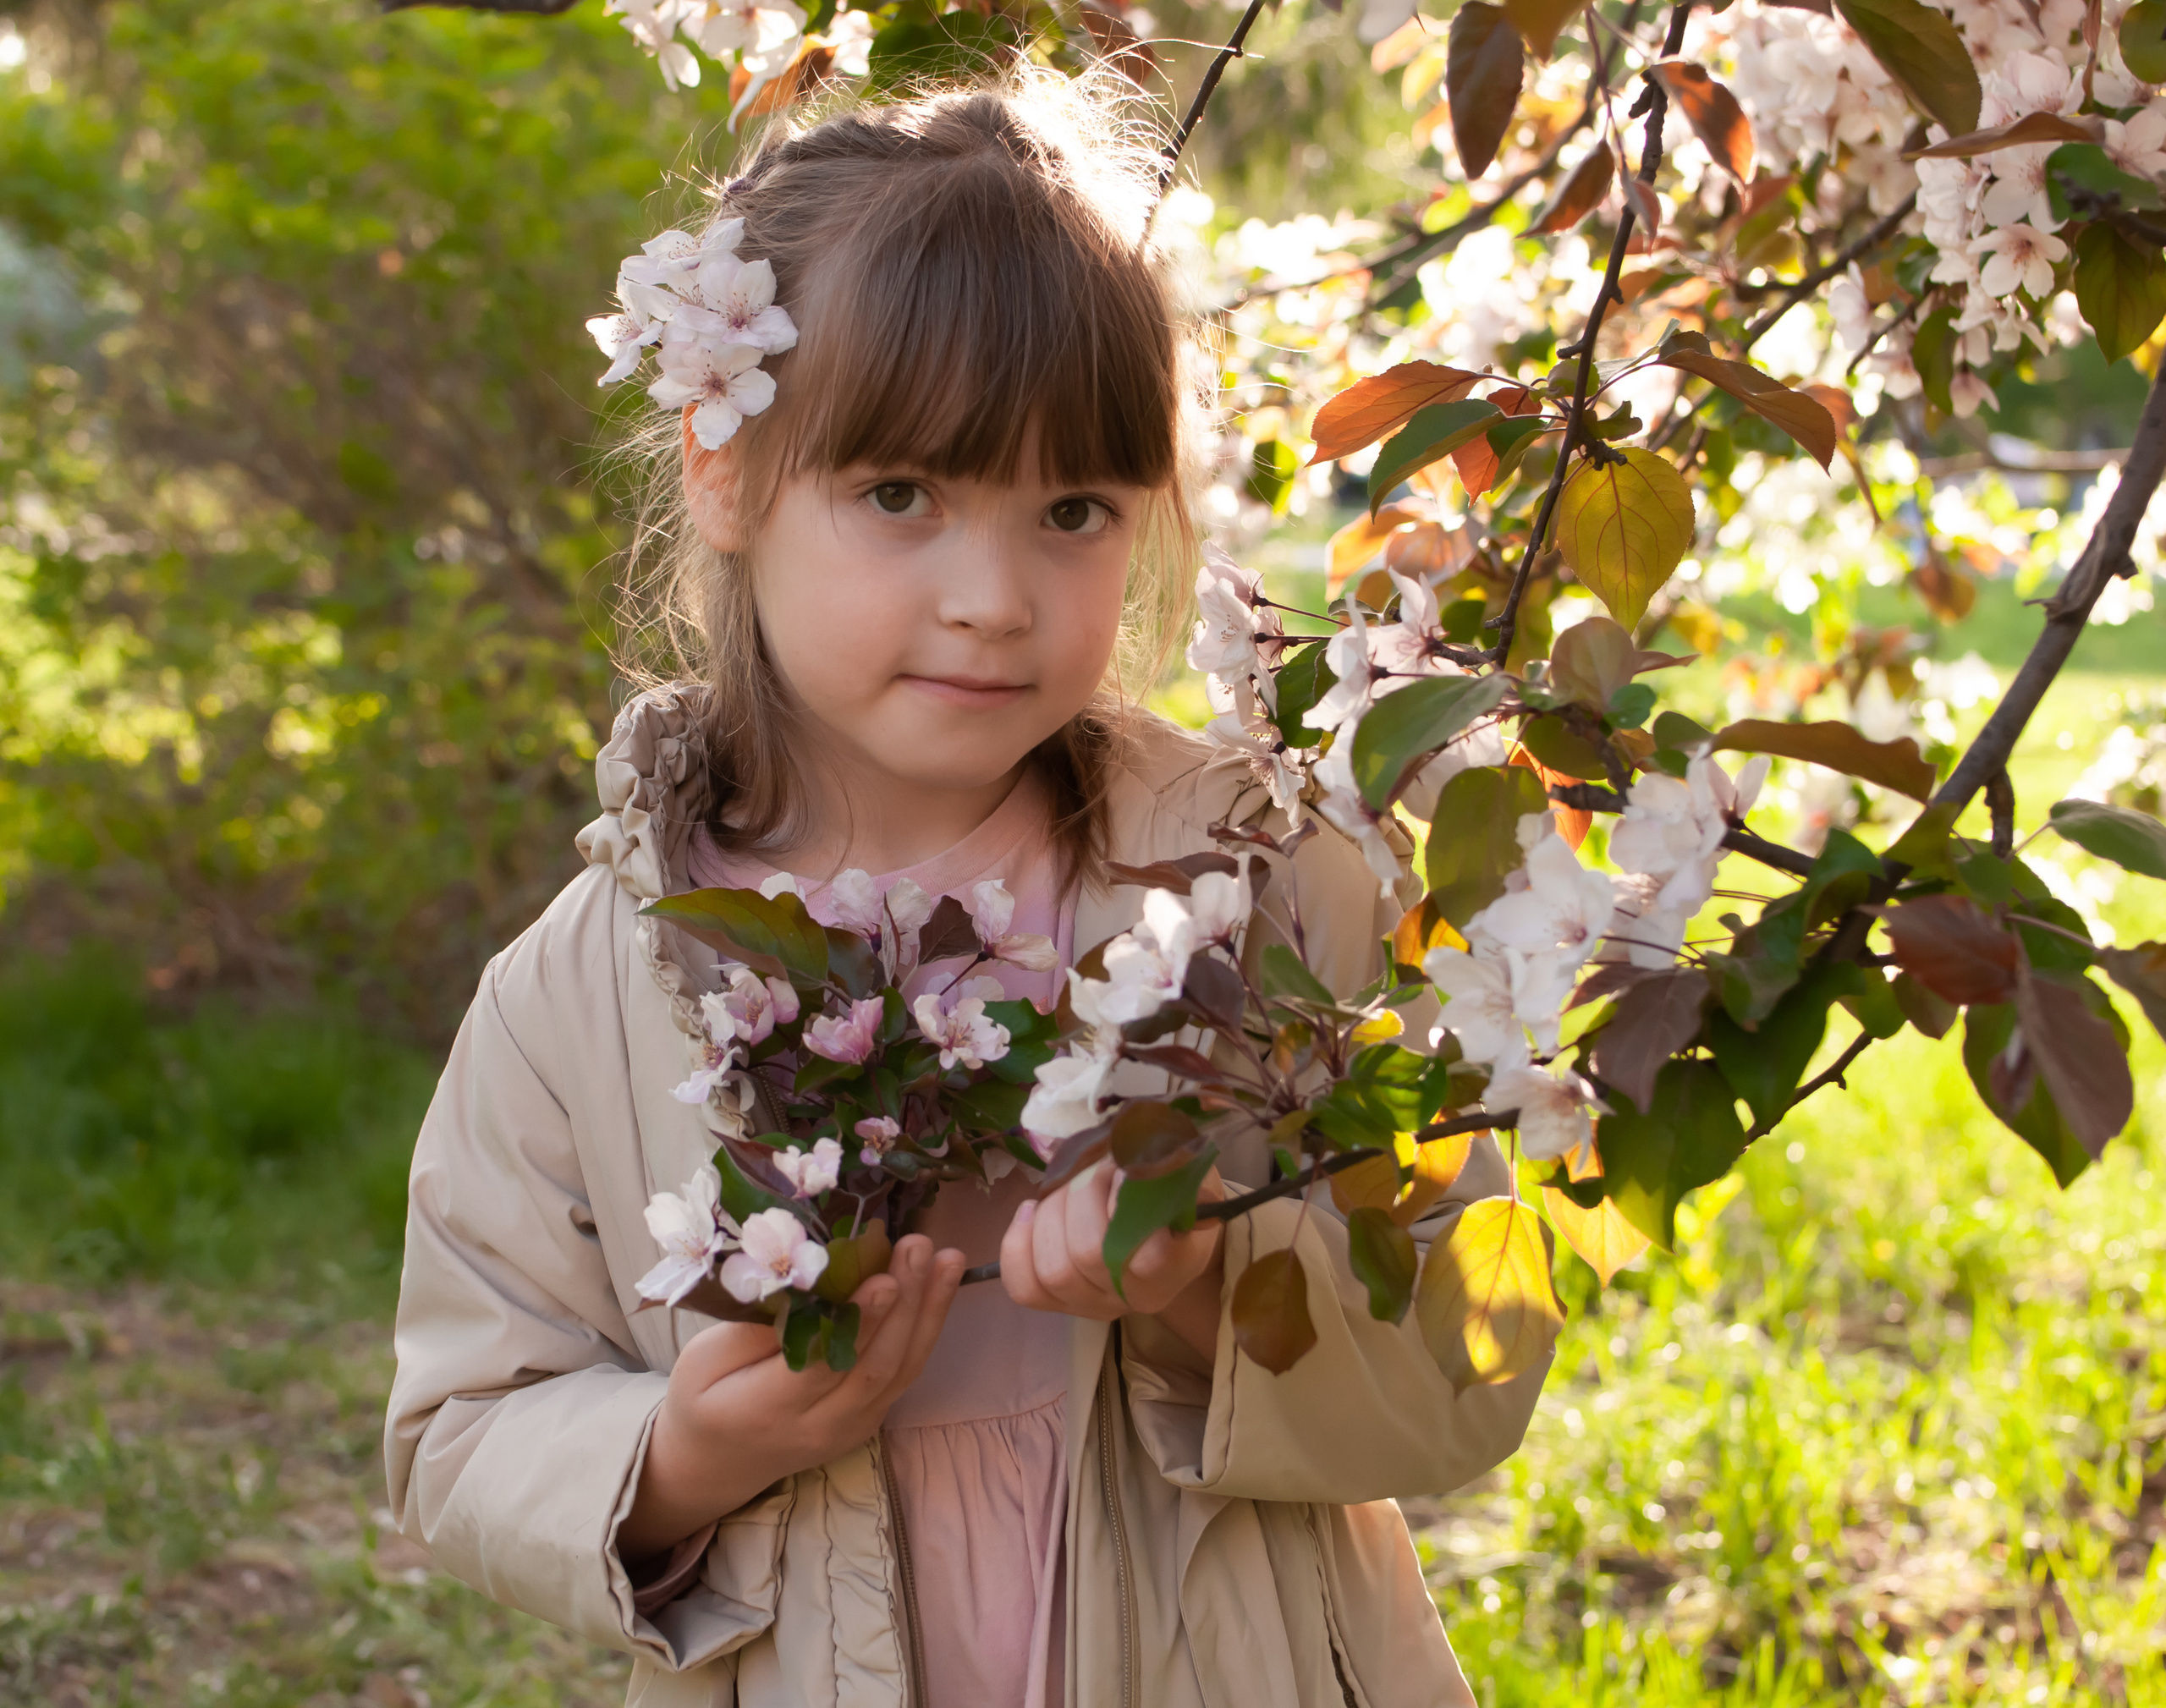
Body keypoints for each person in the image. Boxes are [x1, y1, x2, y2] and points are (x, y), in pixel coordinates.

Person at [383, 70, 1548, 1708]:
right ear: (723, 470)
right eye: (900, 495)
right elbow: (458, 1421)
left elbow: (1468, 1353)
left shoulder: (1263, 888)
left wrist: (1216, 1294)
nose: (993, 598)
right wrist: (686, 1448)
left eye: (1071, 510)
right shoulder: (586, 986)